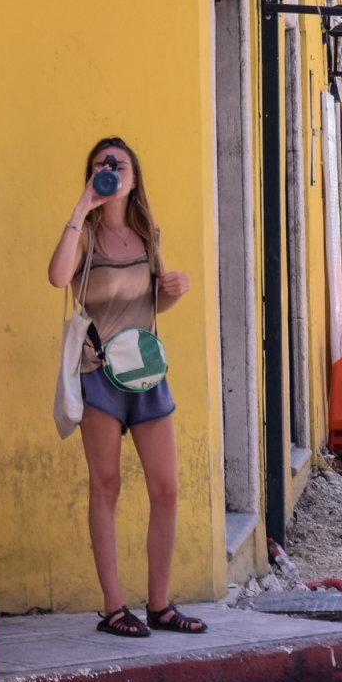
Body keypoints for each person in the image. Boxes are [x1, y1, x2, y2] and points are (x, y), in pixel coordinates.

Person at [47, 137, 204, 639]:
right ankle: (114, 608)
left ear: (134, 178)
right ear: (91, 174)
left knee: (167, 488)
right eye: (101, 164)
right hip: (98, 374)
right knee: (107, 487)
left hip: (146, 373)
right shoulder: (86, 235)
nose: (110, 170)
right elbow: (55, 279)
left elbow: (151, 307)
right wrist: (81, 206)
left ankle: (159, 604)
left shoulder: (145, 234)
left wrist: (174, 290)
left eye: (119, 165)